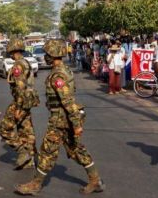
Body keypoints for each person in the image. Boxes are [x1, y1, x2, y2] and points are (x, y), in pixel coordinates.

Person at [15, 39, 105, 196]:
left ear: (53, 55)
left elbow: (68, 101)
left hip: (61, 119)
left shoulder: (58, 75)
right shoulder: (65, 70)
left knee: (47, 151)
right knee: (77, 150)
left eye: (47, 54)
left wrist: (76, 124)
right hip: (65, 118)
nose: (45, 57)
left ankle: (36, 184)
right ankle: (95, 180)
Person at [0, 38, 39, 170]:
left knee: (5, 129)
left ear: (13, 50)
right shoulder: (25, 62)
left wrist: (19, 108)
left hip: (20, 102)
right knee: (25, 130)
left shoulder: (18, 65)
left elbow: (20, 87)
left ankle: (23, 151)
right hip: (27, 102)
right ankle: (29, 160)